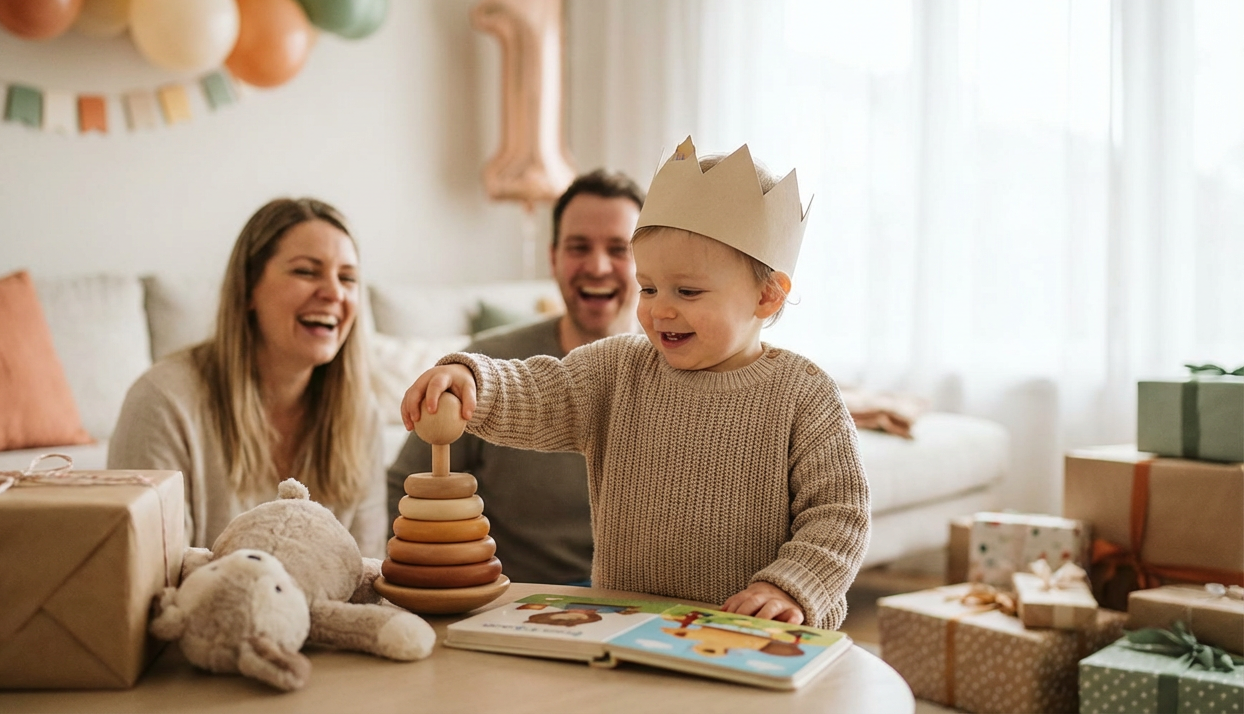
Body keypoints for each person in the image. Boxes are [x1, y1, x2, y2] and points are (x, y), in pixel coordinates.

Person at [400, 138, 870, 629]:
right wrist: (474, 377)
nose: (659, 308)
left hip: (747, 634)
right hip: (624, 625)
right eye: (649, 287)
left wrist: (790, 585)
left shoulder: (805, 394)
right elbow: (543, 390)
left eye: (687, 291)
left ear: (768, 296)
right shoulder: (617, 368)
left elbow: (840, 512)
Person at [387, 169, 645, 585]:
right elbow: (405, 484)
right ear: (553, 257)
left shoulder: (679, 370)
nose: (597, 266)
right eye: (579, 247)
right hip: (509, 600)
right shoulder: (480, 366)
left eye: (619, 249)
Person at [109, 198, 386, 557]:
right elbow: (148, 575)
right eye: (306, 271)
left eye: (348, 278)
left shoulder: (362, 415)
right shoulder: (162, 401)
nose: (334, 292)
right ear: (248, 288)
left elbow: (366, 567)